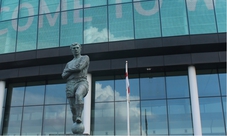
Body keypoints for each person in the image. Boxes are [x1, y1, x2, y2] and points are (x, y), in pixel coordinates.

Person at [62, 43, 89, 123]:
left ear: (80, 48)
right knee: (73, 108)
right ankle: (76, 122)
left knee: (78, 94)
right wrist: (72, 69)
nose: (76, 49)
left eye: (77, 48)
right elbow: (63, 75)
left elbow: (79, 68)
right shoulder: (69, 63)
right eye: (74, 48)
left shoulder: (85, 58)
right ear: (71, 50)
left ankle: (79, 116)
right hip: (70, 83)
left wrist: (69, 70)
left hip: (81, 81)